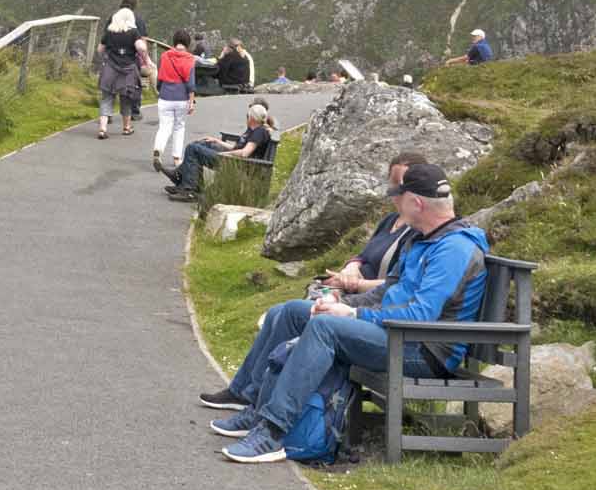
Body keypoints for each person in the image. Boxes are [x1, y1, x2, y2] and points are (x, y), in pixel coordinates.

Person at [194, 161, 490, 464]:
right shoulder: (424, 239)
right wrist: (343, 304)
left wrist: (352, 317)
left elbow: (421, 315)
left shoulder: (453, 249)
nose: (395, 201)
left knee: (325, 328)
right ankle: (256, 407)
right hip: (396, 334)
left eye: (399, 196)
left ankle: (272, 432)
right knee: (293, 311)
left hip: (424, 349)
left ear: (417, 202)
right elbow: (388, 291)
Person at [314, 153, 423, 298]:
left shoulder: (419, 230)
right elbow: (364, 255)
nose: (397, 191)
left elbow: (402, 285)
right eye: (394, 183)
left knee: (293, 311)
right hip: (352, 293)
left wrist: (352, 284)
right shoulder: (390, 220)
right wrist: (351, 268)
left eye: (403, 185)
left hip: (370, 301)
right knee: (283, 310)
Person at [165, 101, 273, 200]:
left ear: (252, 118)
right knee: (202, 143)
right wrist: (216, 140)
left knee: (192, 148)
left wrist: (224, 154)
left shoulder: (259, 132)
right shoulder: (253, 130)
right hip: (232, 159)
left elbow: (245, 153)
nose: (247, 117)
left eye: (248, 115)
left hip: (234, 163)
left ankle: (189, 190)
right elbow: (235, 147)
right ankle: (185, 182)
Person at [95, 6, 149, 139]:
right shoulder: (133, 32)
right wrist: (145, 57)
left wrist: (108, 54)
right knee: (126, 98)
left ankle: (102, 129)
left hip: (110, 68)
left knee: (107, 98)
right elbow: (140, 47)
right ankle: (126, 127)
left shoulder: (110, 32)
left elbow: (100, 49)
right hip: (127, 71)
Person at [151, 29, 197, 175]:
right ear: (187, 43)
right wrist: (191, 101)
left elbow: (160, 77)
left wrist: (160, 89)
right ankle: (177, 158)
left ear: (174, 41)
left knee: (164, 127)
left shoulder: (165, 56)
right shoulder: (190, 59)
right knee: (179, 127)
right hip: (181, 98)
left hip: (165, 96)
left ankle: (158, 149)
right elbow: (190, 83)